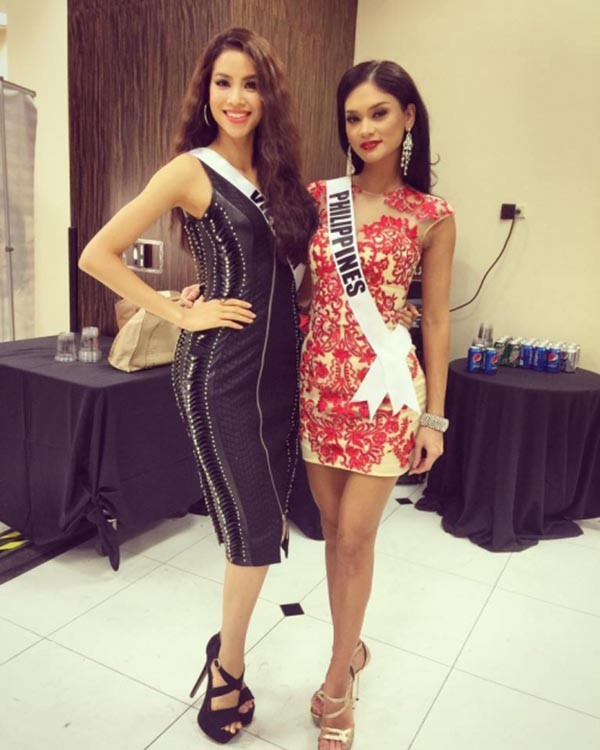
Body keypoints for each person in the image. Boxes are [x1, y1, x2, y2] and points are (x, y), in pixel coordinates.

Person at [79, 27, 317, 744]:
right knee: (253, 533)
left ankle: (227, 649)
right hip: (220, 375)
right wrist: (180, 312)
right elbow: (98, 254)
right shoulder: (190, 170)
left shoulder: (278, 177)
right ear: (205, 91)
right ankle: (227, 669)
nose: (236, 97)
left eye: (250, 84)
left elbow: (288, 278)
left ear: (268, 95)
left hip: (278, 378)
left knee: (266, 526)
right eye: (223, 82)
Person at [299, 60, 456, 750]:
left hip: (385, 395)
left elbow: (438, 320)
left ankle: (338, 682)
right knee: (333, 532)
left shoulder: (432, 216)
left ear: (408, 117)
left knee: (357, 538)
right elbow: (298, 288)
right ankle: (352, 647)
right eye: (354, 117)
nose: (365, 128)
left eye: (380, 113)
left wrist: (434, 419)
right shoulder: (319, 198)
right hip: (319, 390)